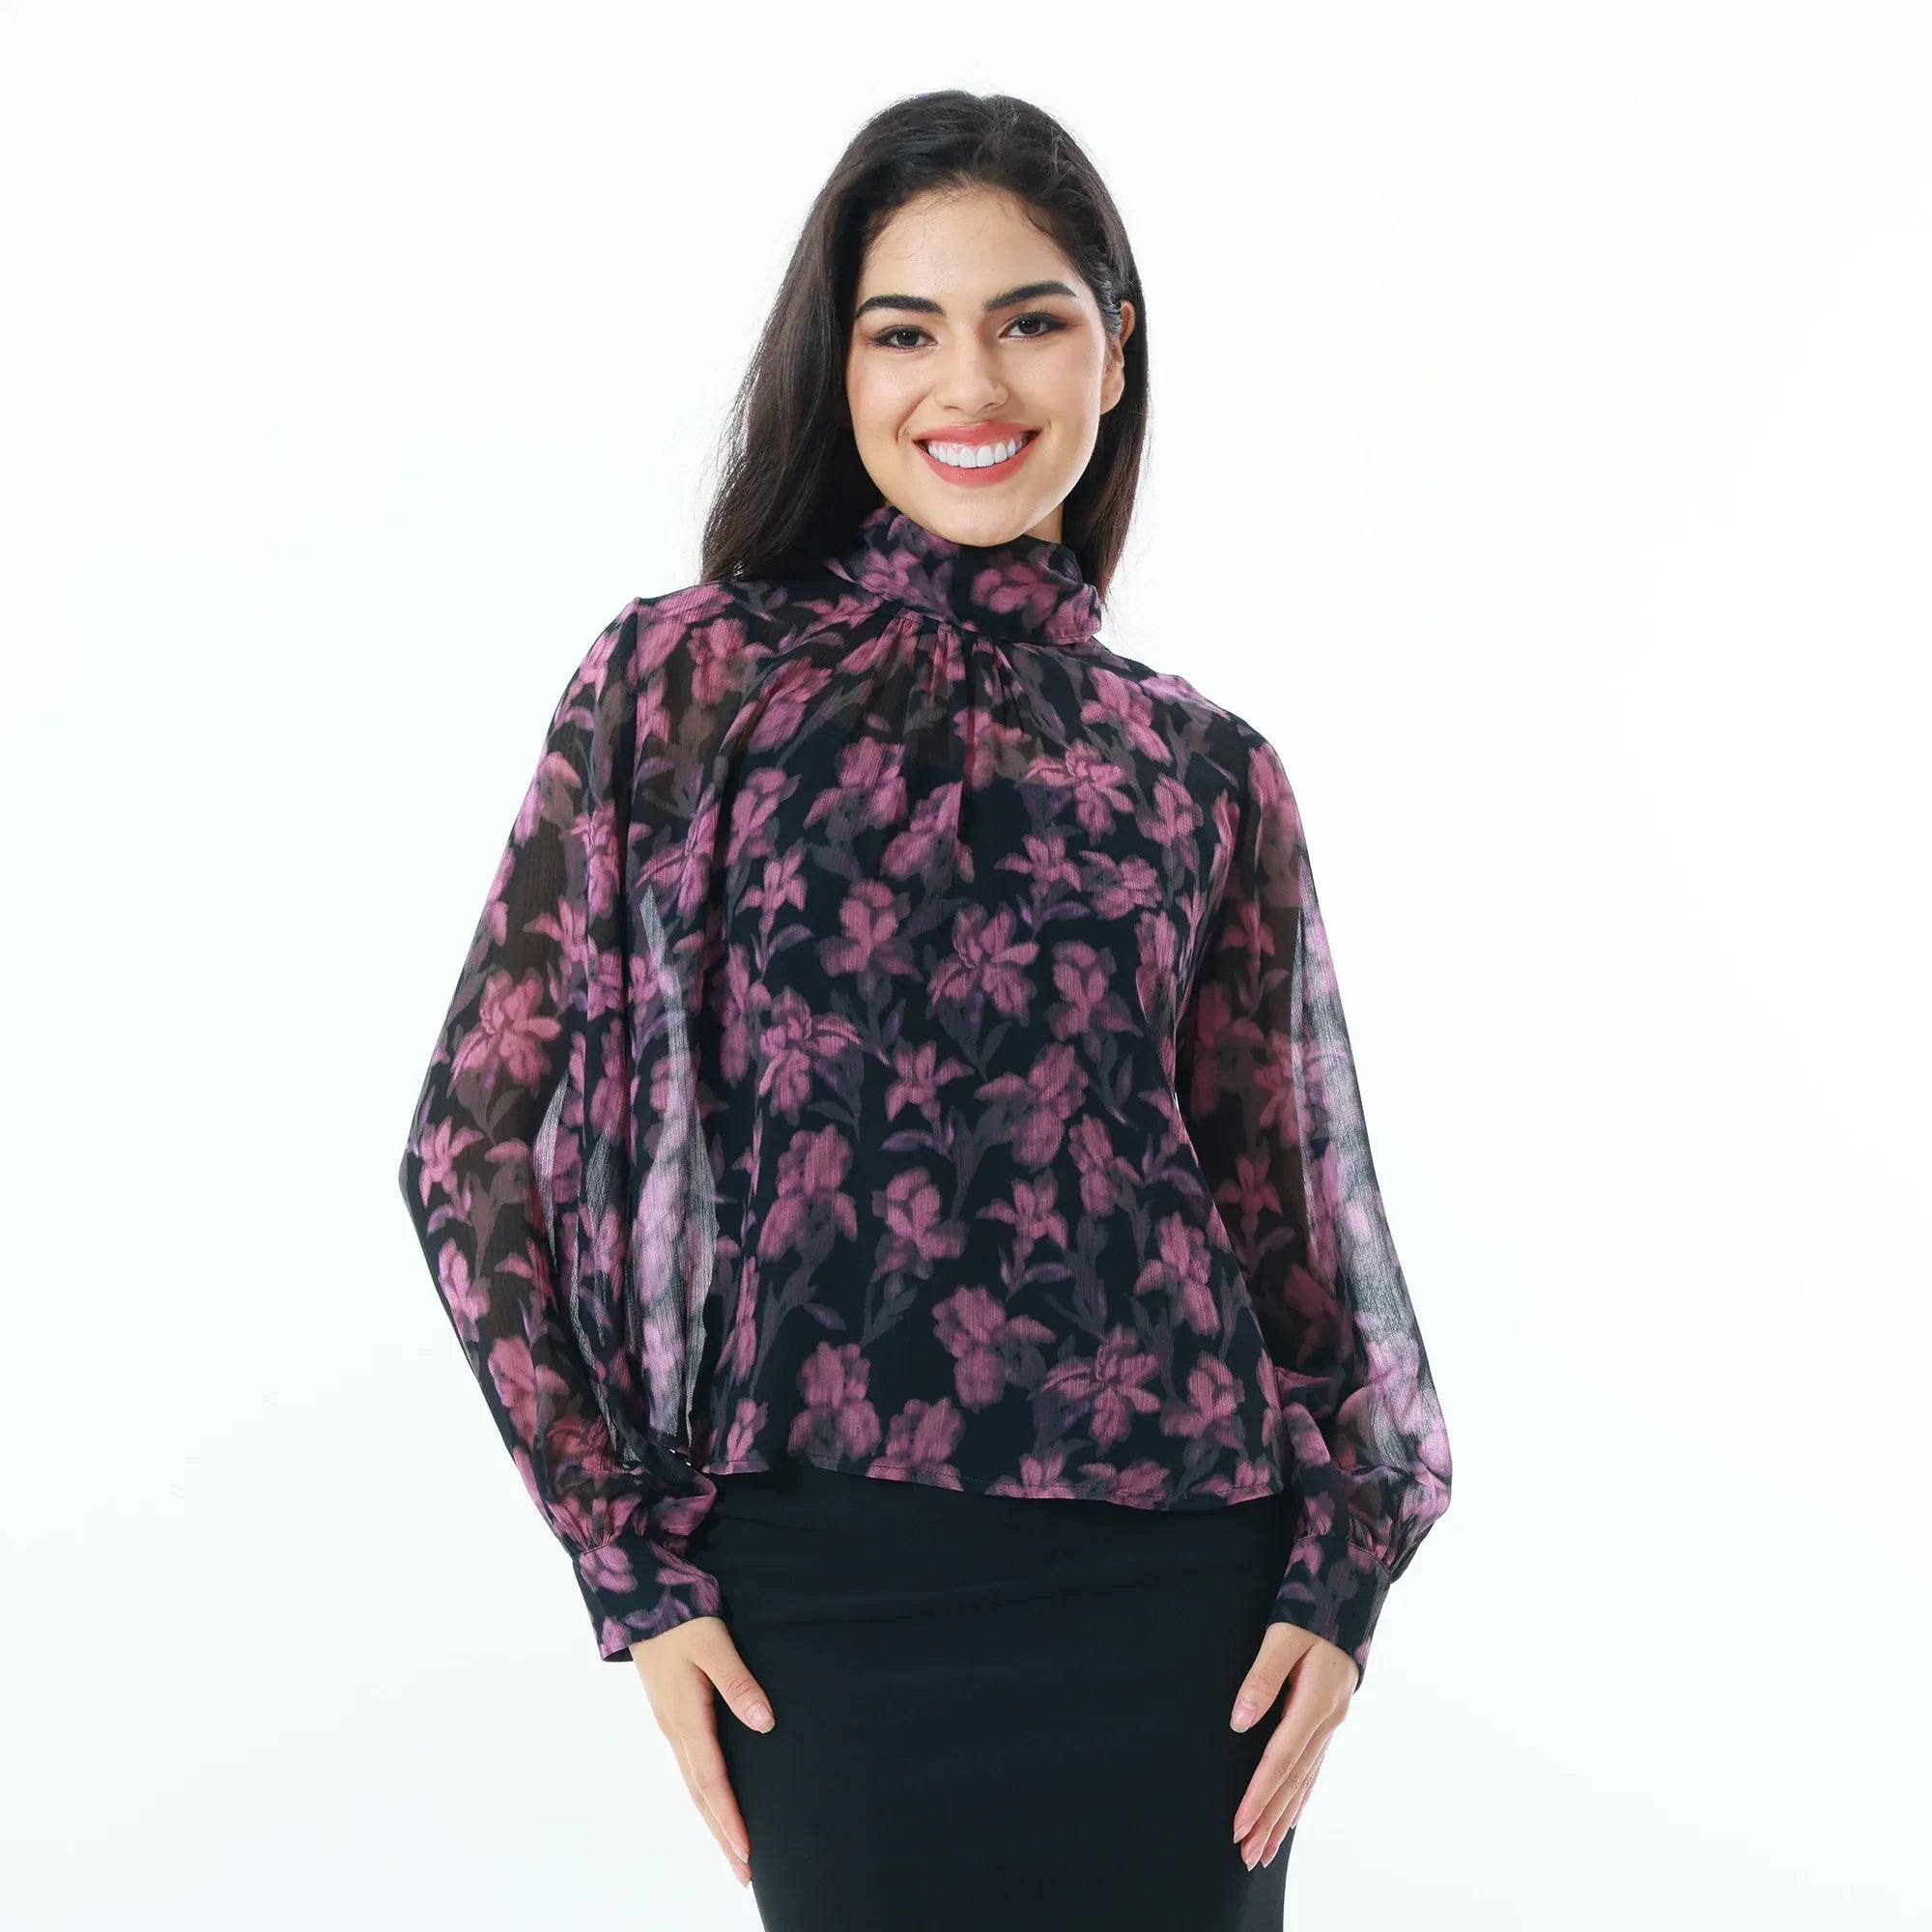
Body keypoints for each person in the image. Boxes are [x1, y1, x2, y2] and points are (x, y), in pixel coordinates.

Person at [397, 87, 1452, 1932]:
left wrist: (1341, 1579)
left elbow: (1293, 1222)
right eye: (906, 332)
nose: (971, 382)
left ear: (1114, 350)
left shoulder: (1204, 769)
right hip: (820, 1590)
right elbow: (474, 1148)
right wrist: (631, 1565)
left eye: (1029, 320)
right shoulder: (680, 688)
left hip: (1182, 1597)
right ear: (842, 363)